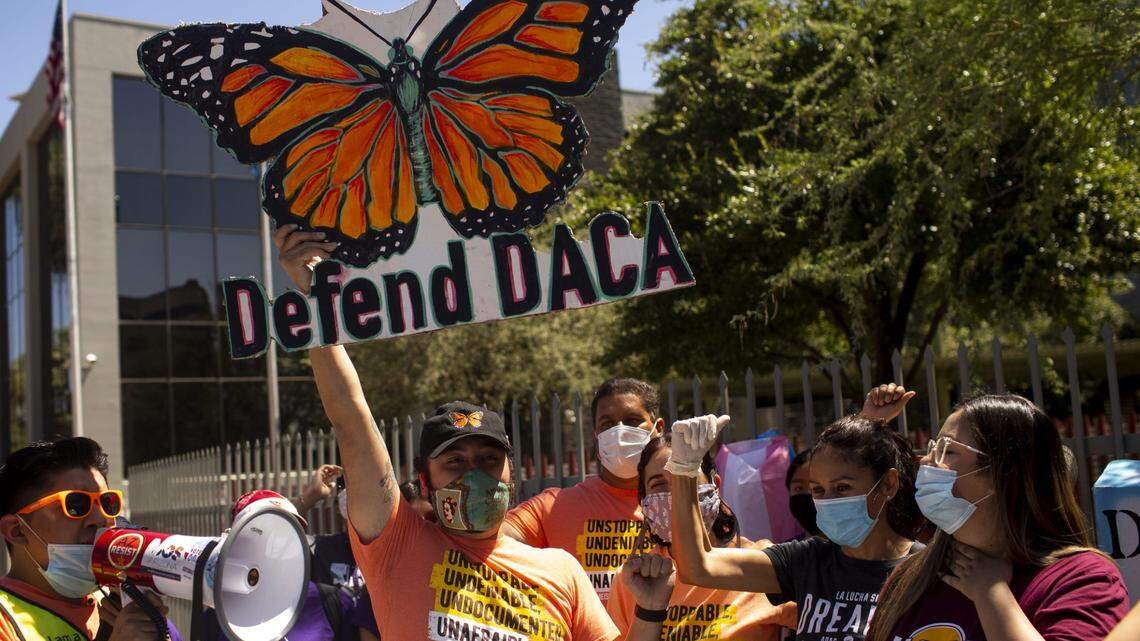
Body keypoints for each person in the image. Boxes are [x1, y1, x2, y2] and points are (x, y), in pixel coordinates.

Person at [276, 225, 619, 641]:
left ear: (512, 473)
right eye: (455, 462)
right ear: (425, 482)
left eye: (489, 460)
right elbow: (351, 420)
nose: (474, 475)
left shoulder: (562, 572)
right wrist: (316, 302)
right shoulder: (398, 546)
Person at [666, 385, 925, 641]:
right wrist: (684, 469)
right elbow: (698, 567)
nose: (829, 501)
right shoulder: (807, 561)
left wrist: (867, 428)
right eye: (818, 490)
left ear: (889, 484)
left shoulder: (927, 570)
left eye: (843, 488)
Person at [867, 394, 1129, 641]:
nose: (925, 461)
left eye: (948, 450)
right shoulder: (909, 577)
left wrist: (992, 593)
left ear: (1003, 472)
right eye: (933, 448)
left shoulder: (1081, 579)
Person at [608, 434, 798, 640]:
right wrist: (649, 610)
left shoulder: (762, 564)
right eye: (658, 484)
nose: (675, 494)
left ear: (715, 485)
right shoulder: (634, 580)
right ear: (644, 501)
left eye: (686, 480)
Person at [0, 437, 179, 641]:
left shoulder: (117, 605)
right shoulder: (6, 619)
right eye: (76, 504)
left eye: (107, 502)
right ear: (16, 531)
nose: (100, 519)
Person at [503, 377, 664, 603]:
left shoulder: (678, 505)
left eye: (632, 420)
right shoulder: (554, 506)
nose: (619, 432)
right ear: (596, 436)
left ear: (658, 429)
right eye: (607, 424)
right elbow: (491, 537)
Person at [201, 490, 376, 641]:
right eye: (262, 530)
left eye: (288, 529)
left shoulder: (331, 602)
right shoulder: (218, 616)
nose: (279, 540)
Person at [785, 451, 819, 539]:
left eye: (817, 488)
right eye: (799, 488)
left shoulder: (855, 549)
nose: (808, 494)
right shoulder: (787, 551)